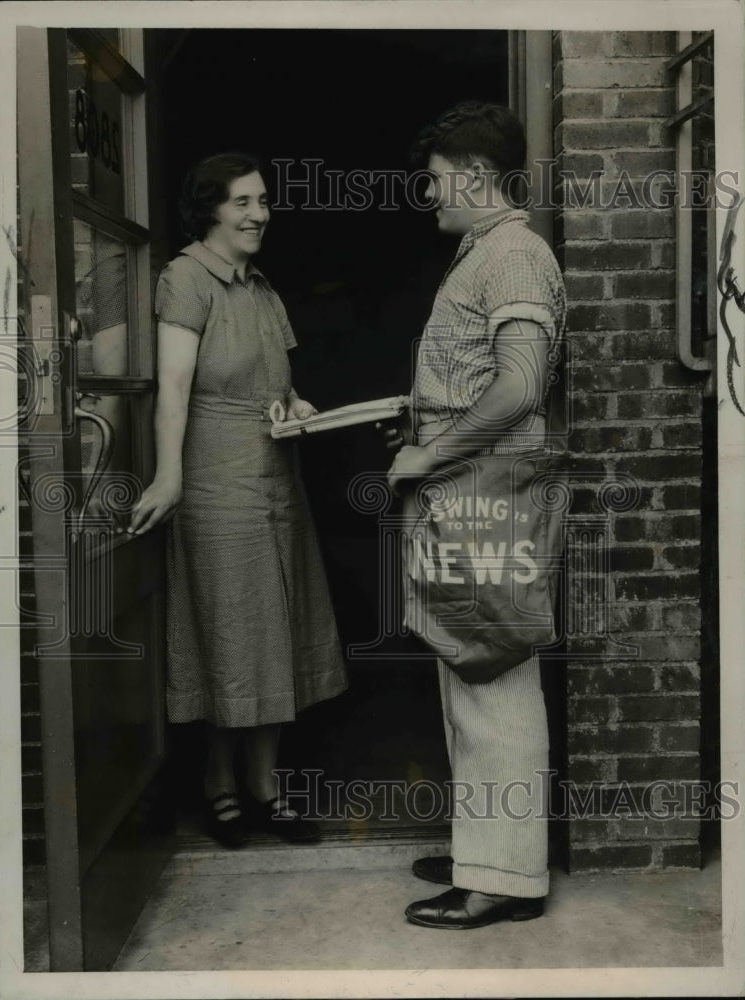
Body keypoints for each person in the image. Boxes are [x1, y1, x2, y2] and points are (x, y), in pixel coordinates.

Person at [128, 152, 348, 847]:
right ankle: (219, 784)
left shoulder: (261, 288)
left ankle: (268, 785)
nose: (260, 214)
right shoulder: (186, 279)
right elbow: (174, 391)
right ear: (210, 210)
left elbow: (275, 388)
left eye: (262, 201)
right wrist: (169, 477)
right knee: (229, 636)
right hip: (216, 484)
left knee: (274, 633)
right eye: (243, 202)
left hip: (275, 481)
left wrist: (297, 406)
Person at [384, 102, 566, 928]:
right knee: (469, 667)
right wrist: (421, 419)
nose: (431, 196)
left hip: (483, 486)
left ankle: (504, 878)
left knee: (492, 671)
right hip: (469, 483)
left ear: (470, 176)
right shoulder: (487, 253)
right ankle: (482, 852)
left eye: (435, 181)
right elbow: (478, 380)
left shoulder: (515, 255)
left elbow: (521, 386)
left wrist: (429, 451)